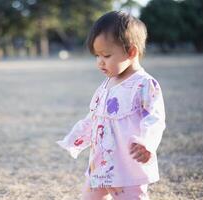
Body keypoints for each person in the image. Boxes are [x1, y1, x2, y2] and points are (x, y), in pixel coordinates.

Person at [56, 11, 166, 200]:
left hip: (128, 168)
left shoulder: (144, 84)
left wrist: (146, 143)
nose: (99, 62)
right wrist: (76, 137)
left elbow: (155, 118)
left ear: (131, 52)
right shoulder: (107, 84)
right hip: (100, 165)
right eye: (96, 56)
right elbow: (96, 116)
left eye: (106, 55)